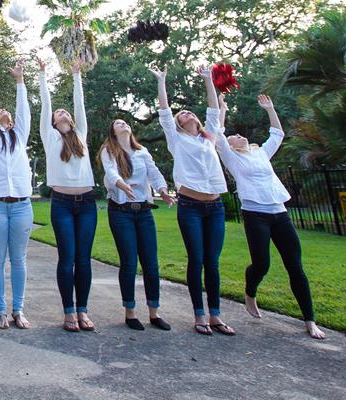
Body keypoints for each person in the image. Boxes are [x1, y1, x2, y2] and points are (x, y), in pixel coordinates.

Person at [214, 94, 324, 339]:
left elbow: (277, 135)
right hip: (255, 214)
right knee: (262, 263)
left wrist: (270, 109)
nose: (240, 136)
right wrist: (221, 108)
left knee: (295, 266)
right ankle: (250, 291)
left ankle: (310, 320)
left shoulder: (260, 154)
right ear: (230, 145)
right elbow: (217, 133)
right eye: (236, 136)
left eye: (242, 135)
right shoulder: (231, 157)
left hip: (279, 213)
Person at [151, 63, 234, 336]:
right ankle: (199, 316)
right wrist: (162, 81)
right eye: (181, 113)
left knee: (212, 260)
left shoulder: (208, 138)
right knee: (196, 258)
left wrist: (208, 79)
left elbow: (212, 108)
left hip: (215, 206)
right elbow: (164, 111)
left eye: (188, 111)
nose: (184, 112)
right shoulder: (176, 139)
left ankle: (216, 316)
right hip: (190, 206)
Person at [37, 57, 98, 332]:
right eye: (57, 112)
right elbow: (46, 105)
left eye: (65, 111)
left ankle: (83, 310)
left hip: (86, 203)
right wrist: (43, 75)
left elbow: (80, 106)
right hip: (61, 203)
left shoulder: (81, 135)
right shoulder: (50, 137)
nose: (61, 112)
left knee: (83, 259)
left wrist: (76, 76)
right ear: (52, 120)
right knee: (67, 257)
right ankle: (69, 311)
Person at [98, 118, 175, 331]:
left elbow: (154, 173)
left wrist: (162, 190)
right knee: (129, 262)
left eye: (125, 122)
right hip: (121, 212)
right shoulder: (109, 150)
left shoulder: (142, 152)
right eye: (117, 123)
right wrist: (121, 184)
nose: (123, 124)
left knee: (151, 263)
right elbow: (110, 171)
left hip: (143, 212)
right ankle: (130, 312)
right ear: (112, 131)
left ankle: (154, 312)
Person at [0, 56, 34, 330]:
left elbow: (24, 113)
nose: (3, 110)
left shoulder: (19, 137)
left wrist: (20, 81)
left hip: (22, 206)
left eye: (4, 109)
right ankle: (0, 310)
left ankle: (18, 310)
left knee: (19, 259)